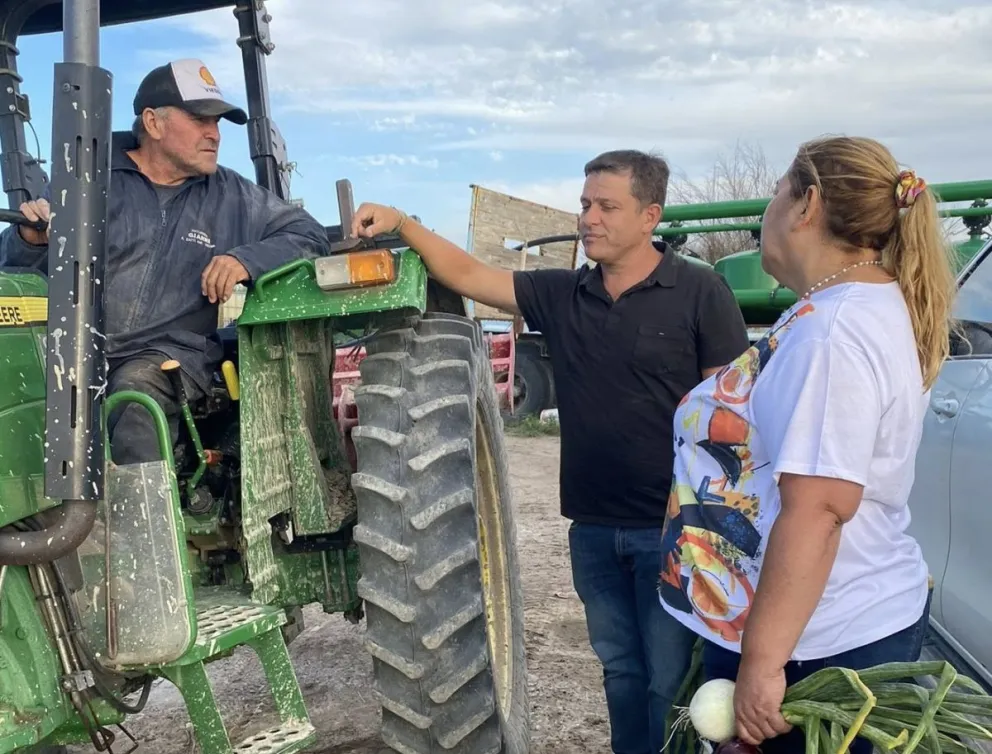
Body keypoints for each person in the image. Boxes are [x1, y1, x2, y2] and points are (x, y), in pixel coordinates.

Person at [350, 149, 751, 754]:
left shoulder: (700, 291)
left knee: (672, 681)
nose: (589, 217)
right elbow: (467, 275)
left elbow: (731, 417)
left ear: (650, 216)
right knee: (620, 672)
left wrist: (722, 526)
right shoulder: (564, 294)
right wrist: (404, 223)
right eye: (586, 204)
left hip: (674, 531)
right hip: (593, 530)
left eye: (606, 206)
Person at [658, 135, 956, 753]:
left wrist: (763, 664)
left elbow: (818, 510)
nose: (768, 210)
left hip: (813, 645)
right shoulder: (850, 307)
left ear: (807, 204)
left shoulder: (834, 335)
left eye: (776, 192)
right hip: (822, 625)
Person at [0, 58, 328, 464]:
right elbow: (16, 268)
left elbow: (308, 234)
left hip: (168, 356)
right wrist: (30, 238)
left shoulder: (231, 196)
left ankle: (142, 527)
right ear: (153, 124)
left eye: (218, 124)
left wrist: (246, 259)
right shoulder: (87, 176)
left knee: (135, 401)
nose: (214, 135)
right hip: (71, 348)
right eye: (200, 120)